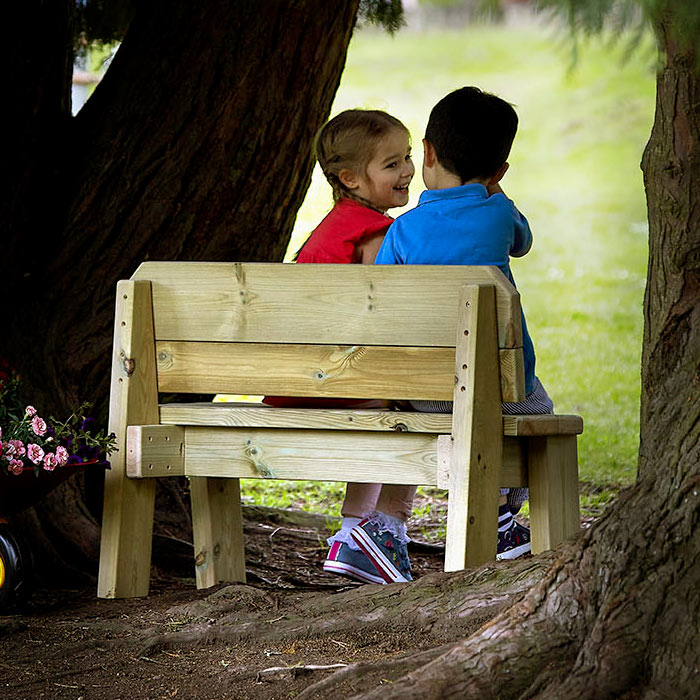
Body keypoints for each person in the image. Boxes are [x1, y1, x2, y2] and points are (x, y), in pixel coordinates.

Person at [351, 86, 553, 577]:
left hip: (427, 389)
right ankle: (506, 515)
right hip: (503, 387)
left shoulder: (403, 229)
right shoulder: (500, 213)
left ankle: (390, 526)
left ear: (428, 152)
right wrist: (495, 190)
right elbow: (524, 241)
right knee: (541, 413)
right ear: (500, 172)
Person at [263, 109, 416, 585]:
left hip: (295, 380)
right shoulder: (374, 232)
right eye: (391, 164)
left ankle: (353, 535)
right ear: (350, 177)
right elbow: (384, 310)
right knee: (412, 405)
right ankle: (384, 528)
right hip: (337, 381)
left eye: (408, 157)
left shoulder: (333, 226)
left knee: (389, 398)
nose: (408, 170)